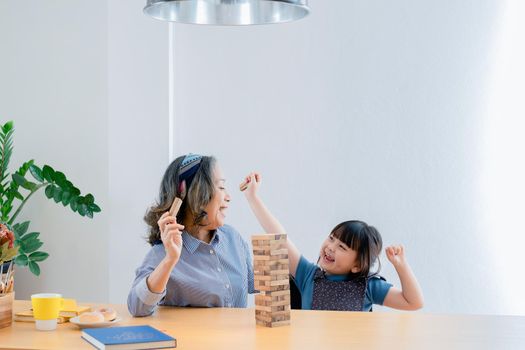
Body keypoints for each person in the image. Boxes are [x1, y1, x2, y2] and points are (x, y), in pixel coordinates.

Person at [242, 172, 424, 312]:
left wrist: (401, 266)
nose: (331, 247)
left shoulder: (368, 287)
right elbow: (279, 236)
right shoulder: (308, 275)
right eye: (331, 238)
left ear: (357, 266)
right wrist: (253, 198)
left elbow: (413, 302)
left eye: (342, 247)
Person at [127, 154, 255, 317]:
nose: (228, 197)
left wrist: (254, 199)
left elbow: (255, 282)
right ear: (198, 194)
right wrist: (170, 260)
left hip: (238, 341)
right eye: (221, 187)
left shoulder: (232, 238)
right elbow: (137, 307)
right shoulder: (163, 254)